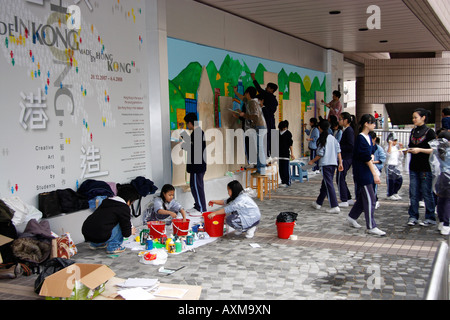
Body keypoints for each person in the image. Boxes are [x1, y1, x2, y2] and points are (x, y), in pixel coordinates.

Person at [346, 114, 386, 236]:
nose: (375, 124)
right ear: (366, 124)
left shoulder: (367, 137)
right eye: (373, 122)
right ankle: (371, 226)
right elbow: (366, 158)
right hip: (363, 173)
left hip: (366, 172)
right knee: (370, 199)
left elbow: (370, 155)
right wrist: (375, 174)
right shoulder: (361, 138)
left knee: (365, 198)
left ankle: (352, 216)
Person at [82, 184, 140, 254]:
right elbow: (126, 232)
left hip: (87, 232)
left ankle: (96, 244)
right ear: (129, 201)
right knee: (120, 223)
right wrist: (130, 231)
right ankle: (114, 247)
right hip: (101, 234)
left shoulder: (106, 201)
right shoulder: (124, 208)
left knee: (104, 222)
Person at [407, 108, 437, 227]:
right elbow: (410, 145)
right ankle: (413, 216)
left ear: (423, 118)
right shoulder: (413, 131)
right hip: (414, 166)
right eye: (413, 117)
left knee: (426, 192)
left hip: (425, 167)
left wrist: (419, 150)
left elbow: (434, 150)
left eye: (416, 117)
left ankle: (430, 217)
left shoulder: (430, 132)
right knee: (413, 193)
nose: (414, 119)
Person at [309, 120, 344, 214]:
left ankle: (334, 205)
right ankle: (318, 203)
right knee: (325, 184)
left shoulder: (323, 139)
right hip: (333, 164)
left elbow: (320, 154)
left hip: (325, 165)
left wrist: (312, 161)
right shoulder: (333, 138)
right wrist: (340, 163)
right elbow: (338, 151)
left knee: (328, 184)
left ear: (320, 128)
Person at [233, 86, 267, 177]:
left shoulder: (252, 103)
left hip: (259, 126)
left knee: (260, 149)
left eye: (245, 93)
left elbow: (255, 116)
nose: (244, 95)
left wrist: (244, 115)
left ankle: (262, 170)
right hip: (259, 126)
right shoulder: (250, 101)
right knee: (259, 149)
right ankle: (260, 169)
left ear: (248, 93)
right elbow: (242, 98)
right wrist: (235, 92)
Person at [183, 112, 207, 217]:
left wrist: (185, 145)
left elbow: (195, 150)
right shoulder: (196, 133)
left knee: (197, 187)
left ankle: (202, 209)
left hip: (197, 166)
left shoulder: (198, 133)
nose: (187, 126)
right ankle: (197, 206)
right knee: (193, 186)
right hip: (195, 166)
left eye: (187, 124)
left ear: (190, 123)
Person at [251, 73, 278, 157]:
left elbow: (259, 89)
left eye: (267, 87)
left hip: (266, 120)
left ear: (271, 89)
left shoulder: (267, 95)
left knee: (264, 138)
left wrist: (253, 78)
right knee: (270, 139)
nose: (265, 88)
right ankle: (270, 156)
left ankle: (265, 156)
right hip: (271, 121)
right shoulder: (274, 100)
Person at [430, 131, 450, 235]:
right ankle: (446, 224)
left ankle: (442, 221)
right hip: (449, 177)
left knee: (442, 200)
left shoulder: (439, 151)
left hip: (442, 177)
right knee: (448, 202)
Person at [337, 112, 357, 207]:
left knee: (340, 177)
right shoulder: (347, 130)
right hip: (346, 157)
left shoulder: (349, 131)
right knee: (341, 178)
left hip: (346, 158)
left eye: (340, 119)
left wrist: (339, 146)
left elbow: (350, 145)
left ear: (346, 120)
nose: (339, 121)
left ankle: (344, 199)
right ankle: (348, 198)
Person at [369, 132, 386, 209]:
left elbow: (382, 159)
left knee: (374, 186)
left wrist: (373, 162)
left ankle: (374, 200)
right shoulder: (368, 147)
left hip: (376, 168)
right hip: (369, 168)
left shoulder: (378, 148)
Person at [385, 134, 404, 201]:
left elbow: (400, 156)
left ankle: (395, 192)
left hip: (396, 165)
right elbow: (388, 154)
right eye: (394, 141)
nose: (395, 142)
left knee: (399, 180)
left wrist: (401, 148)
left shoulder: (396, 147)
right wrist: (390, 145)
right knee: (391, 181)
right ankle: (390, 194)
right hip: (390, 165)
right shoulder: (387, 147)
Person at [278, 120, 295, 187]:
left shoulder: (288, 133)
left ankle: (287, 182)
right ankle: (283, 181)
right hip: (279, 154)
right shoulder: (277, 133)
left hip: (285, 154)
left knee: (285, 168)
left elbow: (290, 144)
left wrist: (292, 153)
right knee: (281, 169)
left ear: (285, 127)